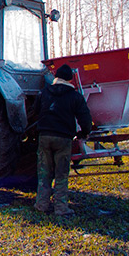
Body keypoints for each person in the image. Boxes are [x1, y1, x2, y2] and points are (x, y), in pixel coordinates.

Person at [34, 64, 93, 217]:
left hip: (45, 137)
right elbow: (85, 118)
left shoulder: (44, 92)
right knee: (61, 173)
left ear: (56, 77)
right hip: (63, 138)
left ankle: (41, 204)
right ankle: (60, 208)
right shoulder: (75, 96)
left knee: (44, 172)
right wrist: (84, 133)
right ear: (69, 79)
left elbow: (35, 111)